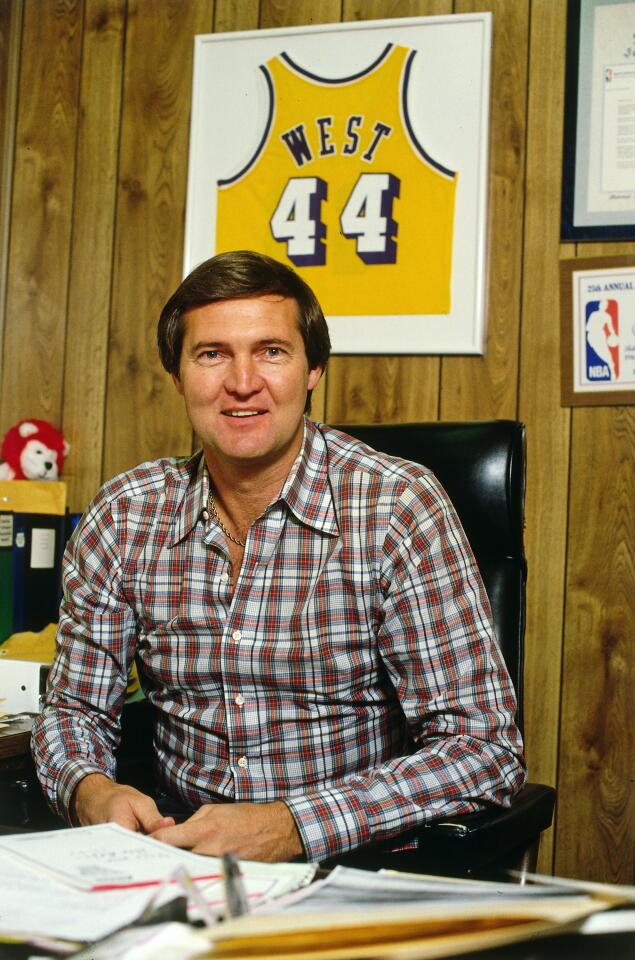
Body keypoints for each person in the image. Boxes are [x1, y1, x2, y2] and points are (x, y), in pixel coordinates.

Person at [32, 250, 525, 864]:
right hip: (179, 868)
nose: (242, 382)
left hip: (356, 871)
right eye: (212, 354)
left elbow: (483, 749)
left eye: (271, 351)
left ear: (313, 368)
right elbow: (75, 709)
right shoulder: (125, 517)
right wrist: (90, 790)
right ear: (178, 376)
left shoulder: (397, 507)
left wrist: (293, 826)